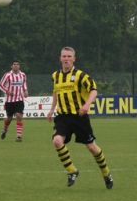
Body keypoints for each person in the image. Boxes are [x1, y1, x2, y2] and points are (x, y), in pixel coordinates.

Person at [46, 47, 113, 189]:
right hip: (63, 116)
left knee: (91, 147)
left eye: (69, 56)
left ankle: (106, 173)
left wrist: (87, 105)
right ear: (60, 58)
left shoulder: (81, 75)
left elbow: (94, 90)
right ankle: (72, 171)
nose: (66, 59)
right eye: (64, 56)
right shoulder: (55, 76)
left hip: (79, 116)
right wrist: (52, 109)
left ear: (74, 59)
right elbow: (56, 92)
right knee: (57, 141)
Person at [0, 59, 28, 142]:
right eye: (14, 64)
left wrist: (25, 91)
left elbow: (24, 84)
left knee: (19, 116)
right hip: (9, 101)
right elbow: (0, 85)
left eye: (17, 64)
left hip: (19, 100)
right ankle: (5, 130)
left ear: (19, 66)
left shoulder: (23, 75)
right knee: (9, 119)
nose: (16, 65)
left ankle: (19, 136)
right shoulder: (7, 75)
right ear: (11, 66)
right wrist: (7, 91)